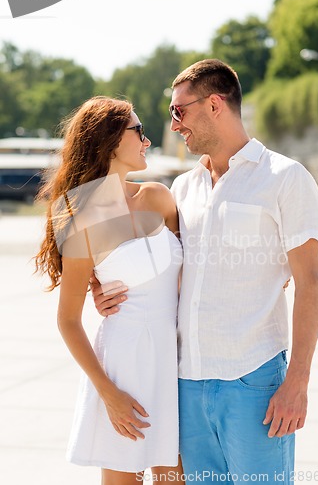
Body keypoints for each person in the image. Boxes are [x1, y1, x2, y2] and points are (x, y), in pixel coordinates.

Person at [92, 60, 318, 484]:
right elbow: (162, 268)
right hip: (186, 384)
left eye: (179, 111)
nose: (174, 124)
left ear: (215, 104)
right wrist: (101, 286)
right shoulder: (183, 189)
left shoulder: (286, 178)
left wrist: (298, 381)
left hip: (254, 381)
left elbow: (309, 281)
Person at [34, 96, 184, 485]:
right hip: (123, 366)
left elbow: (194, 270)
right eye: (139, 131)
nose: (147, 141)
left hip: (177, 361)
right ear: (110, 140)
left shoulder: (158, 197)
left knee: (176, 479)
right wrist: (109, 394)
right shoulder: (81, 216)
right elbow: (67, 320)